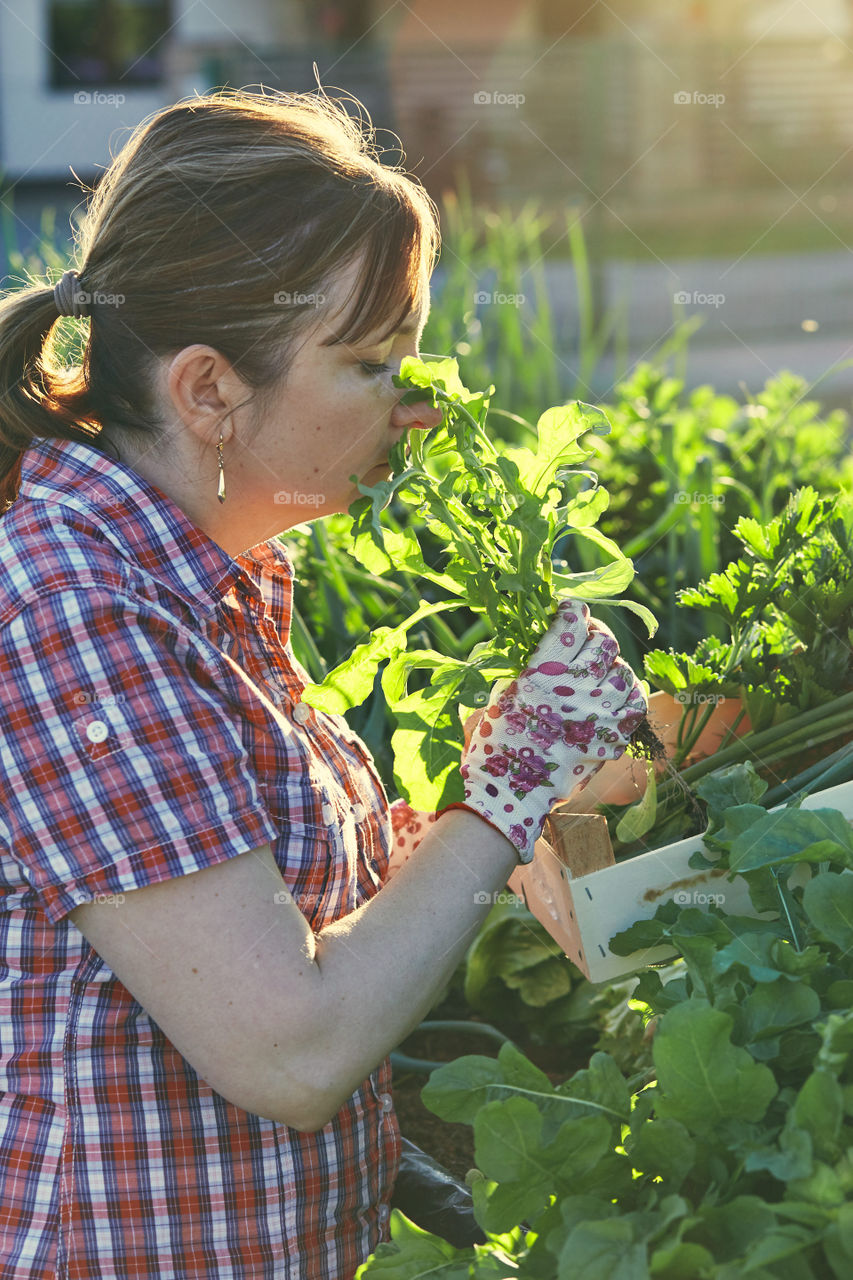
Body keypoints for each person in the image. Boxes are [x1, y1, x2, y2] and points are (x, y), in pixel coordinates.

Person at [0, 87, 647, 1279]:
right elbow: (287, 1046)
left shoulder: (211, 576)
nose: (416, 405)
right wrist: (502, 790)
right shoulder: (75, 609)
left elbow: (273, 909)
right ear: (208, 391)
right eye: (367, 364)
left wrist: (503, 828)